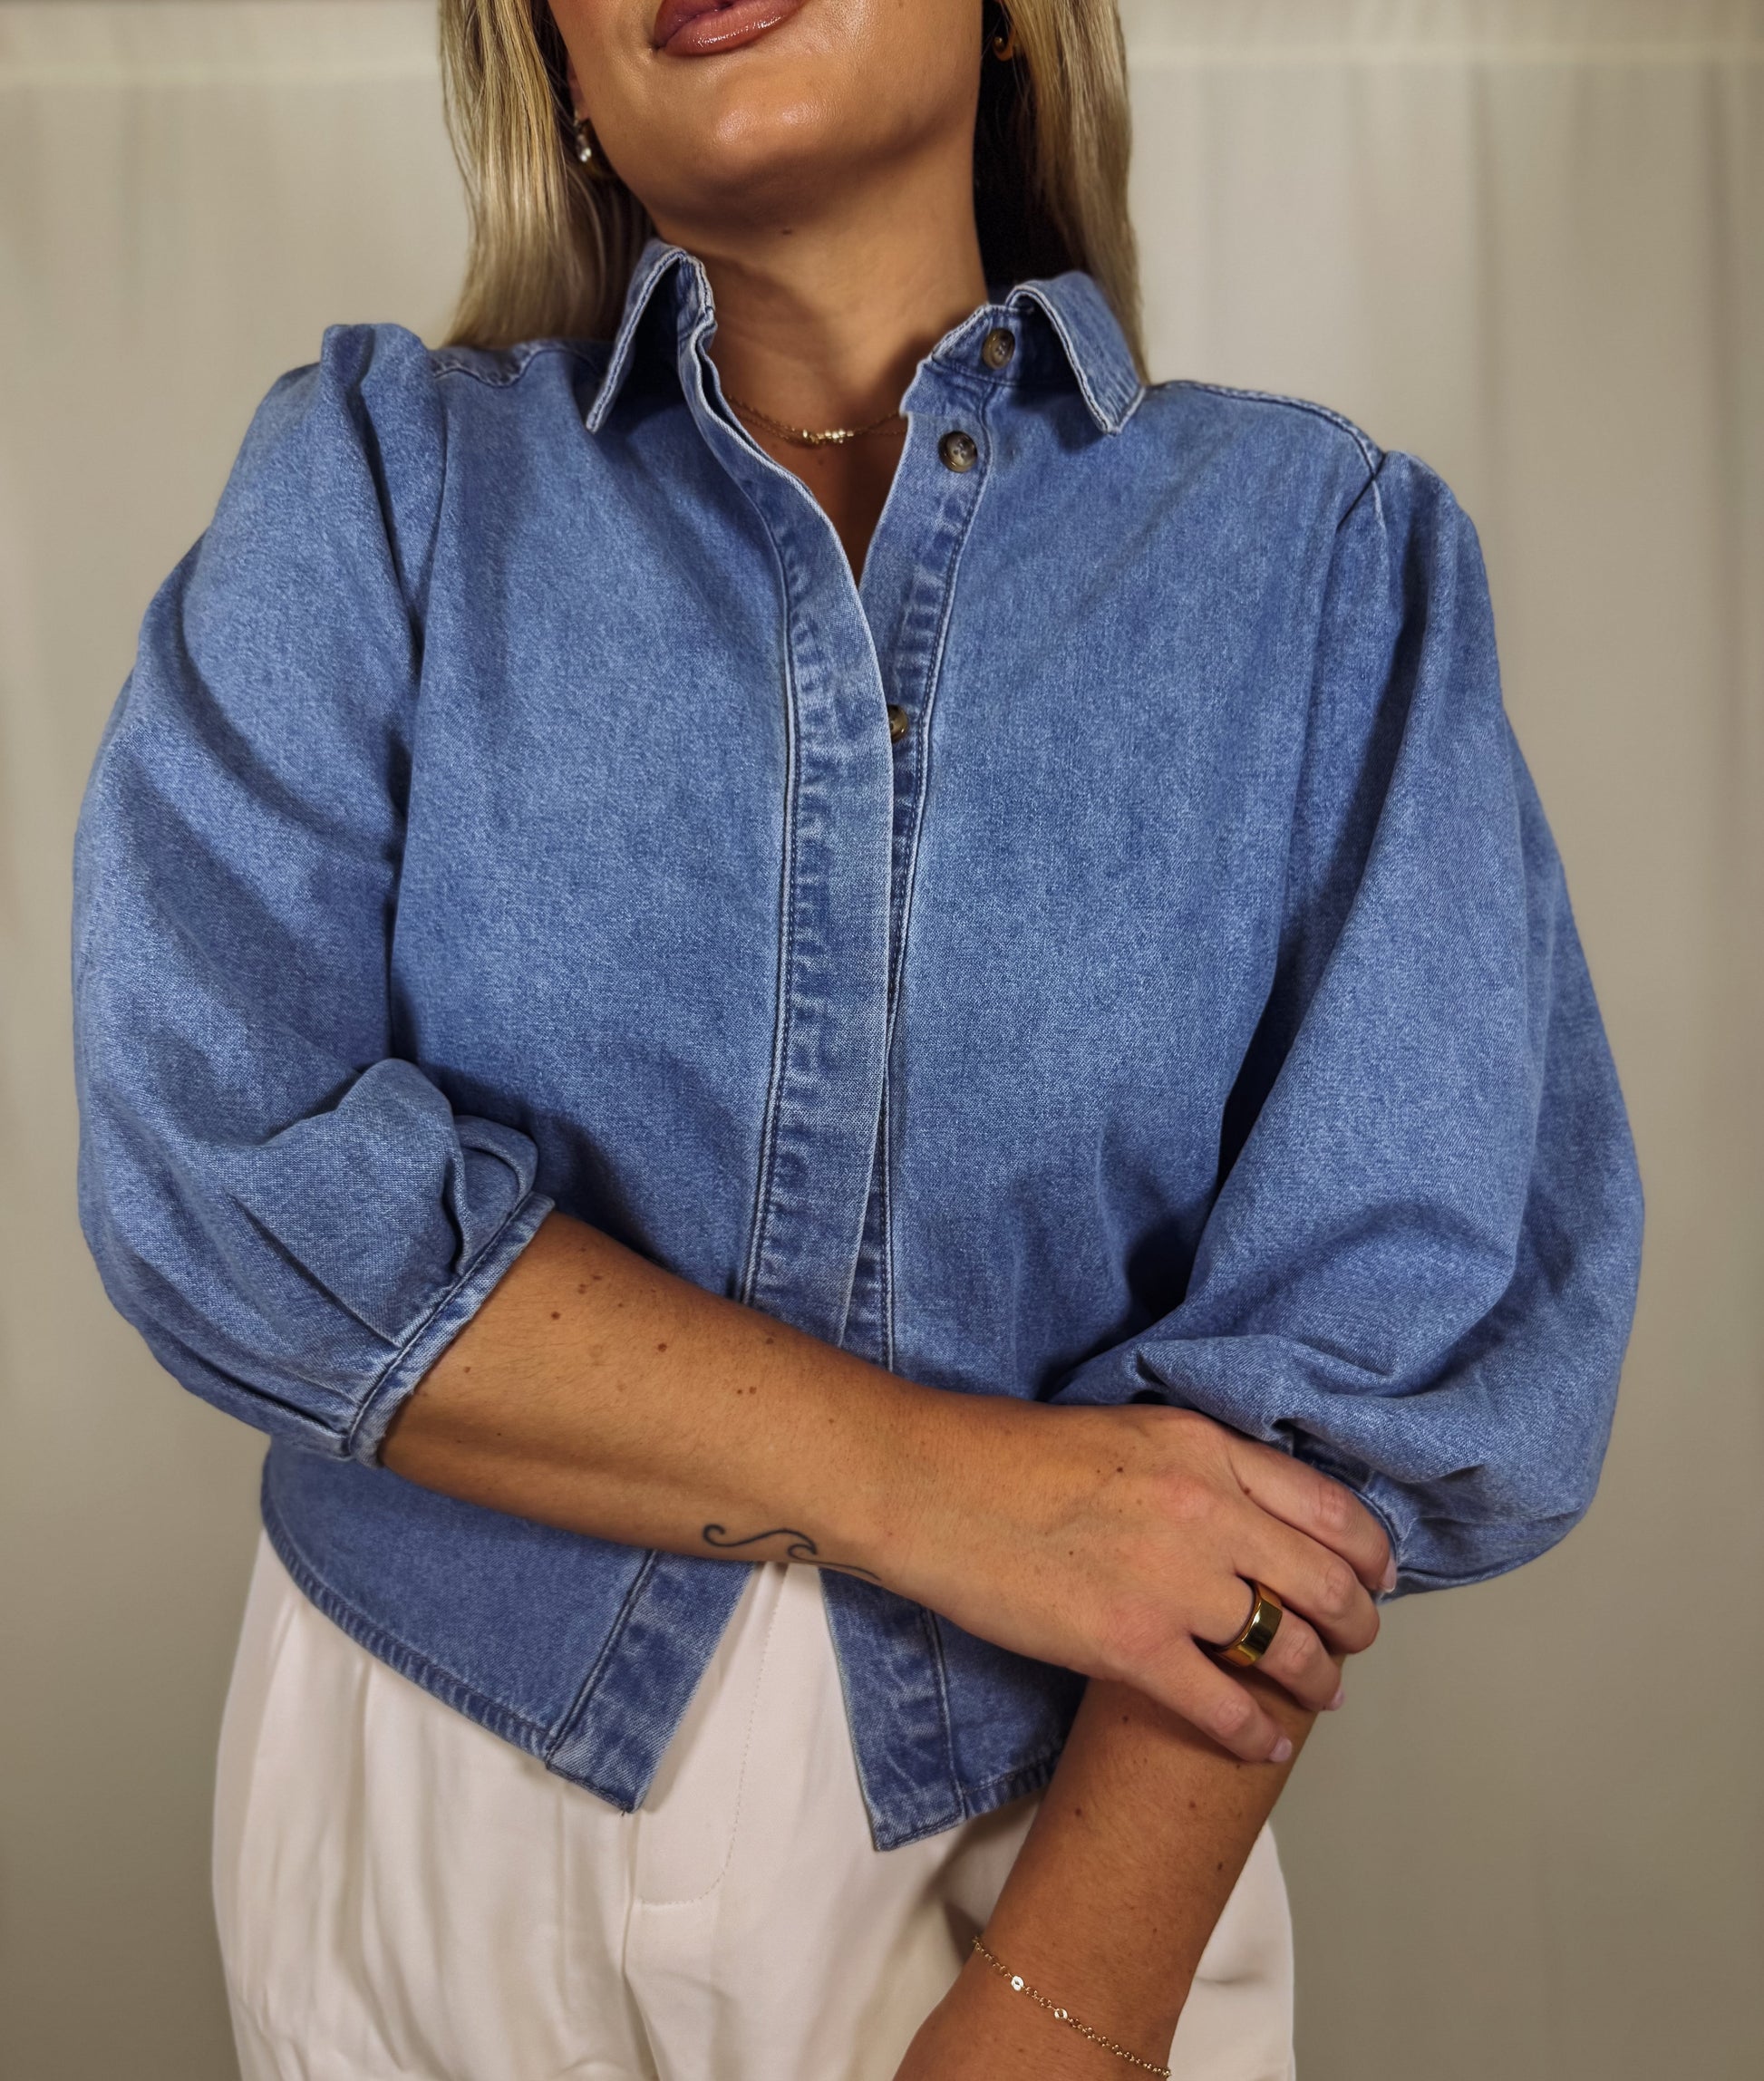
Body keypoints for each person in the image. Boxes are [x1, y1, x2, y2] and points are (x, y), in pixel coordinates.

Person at [71, 1, 1643, 2076]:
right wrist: (945, 1491)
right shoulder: (379, 478)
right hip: (418, 1800)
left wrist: (1069, 2002)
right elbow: (216, 1175)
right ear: (557, 74)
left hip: (1048, 1850)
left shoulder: (1326, 560)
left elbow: (1375, 1363)